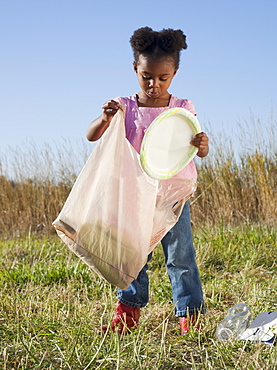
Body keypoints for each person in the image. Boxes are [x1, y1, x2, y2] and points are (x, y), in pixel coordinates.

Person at [86, 27, 209, 335]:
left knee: (181, 257)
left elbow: (195, 150)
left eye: (163, 78)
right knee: (132, 257)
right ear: (135, 70)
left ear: (175, 73)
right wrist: (105, 117)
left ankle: (189, 317)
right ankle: (127, 315)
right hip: (134, 197)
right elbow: (91, 136)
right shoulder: (124, 106)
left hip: (172, 198)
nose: (154, 85)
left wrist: (202, 145)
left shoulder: (181, 109)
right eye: (146, 76)